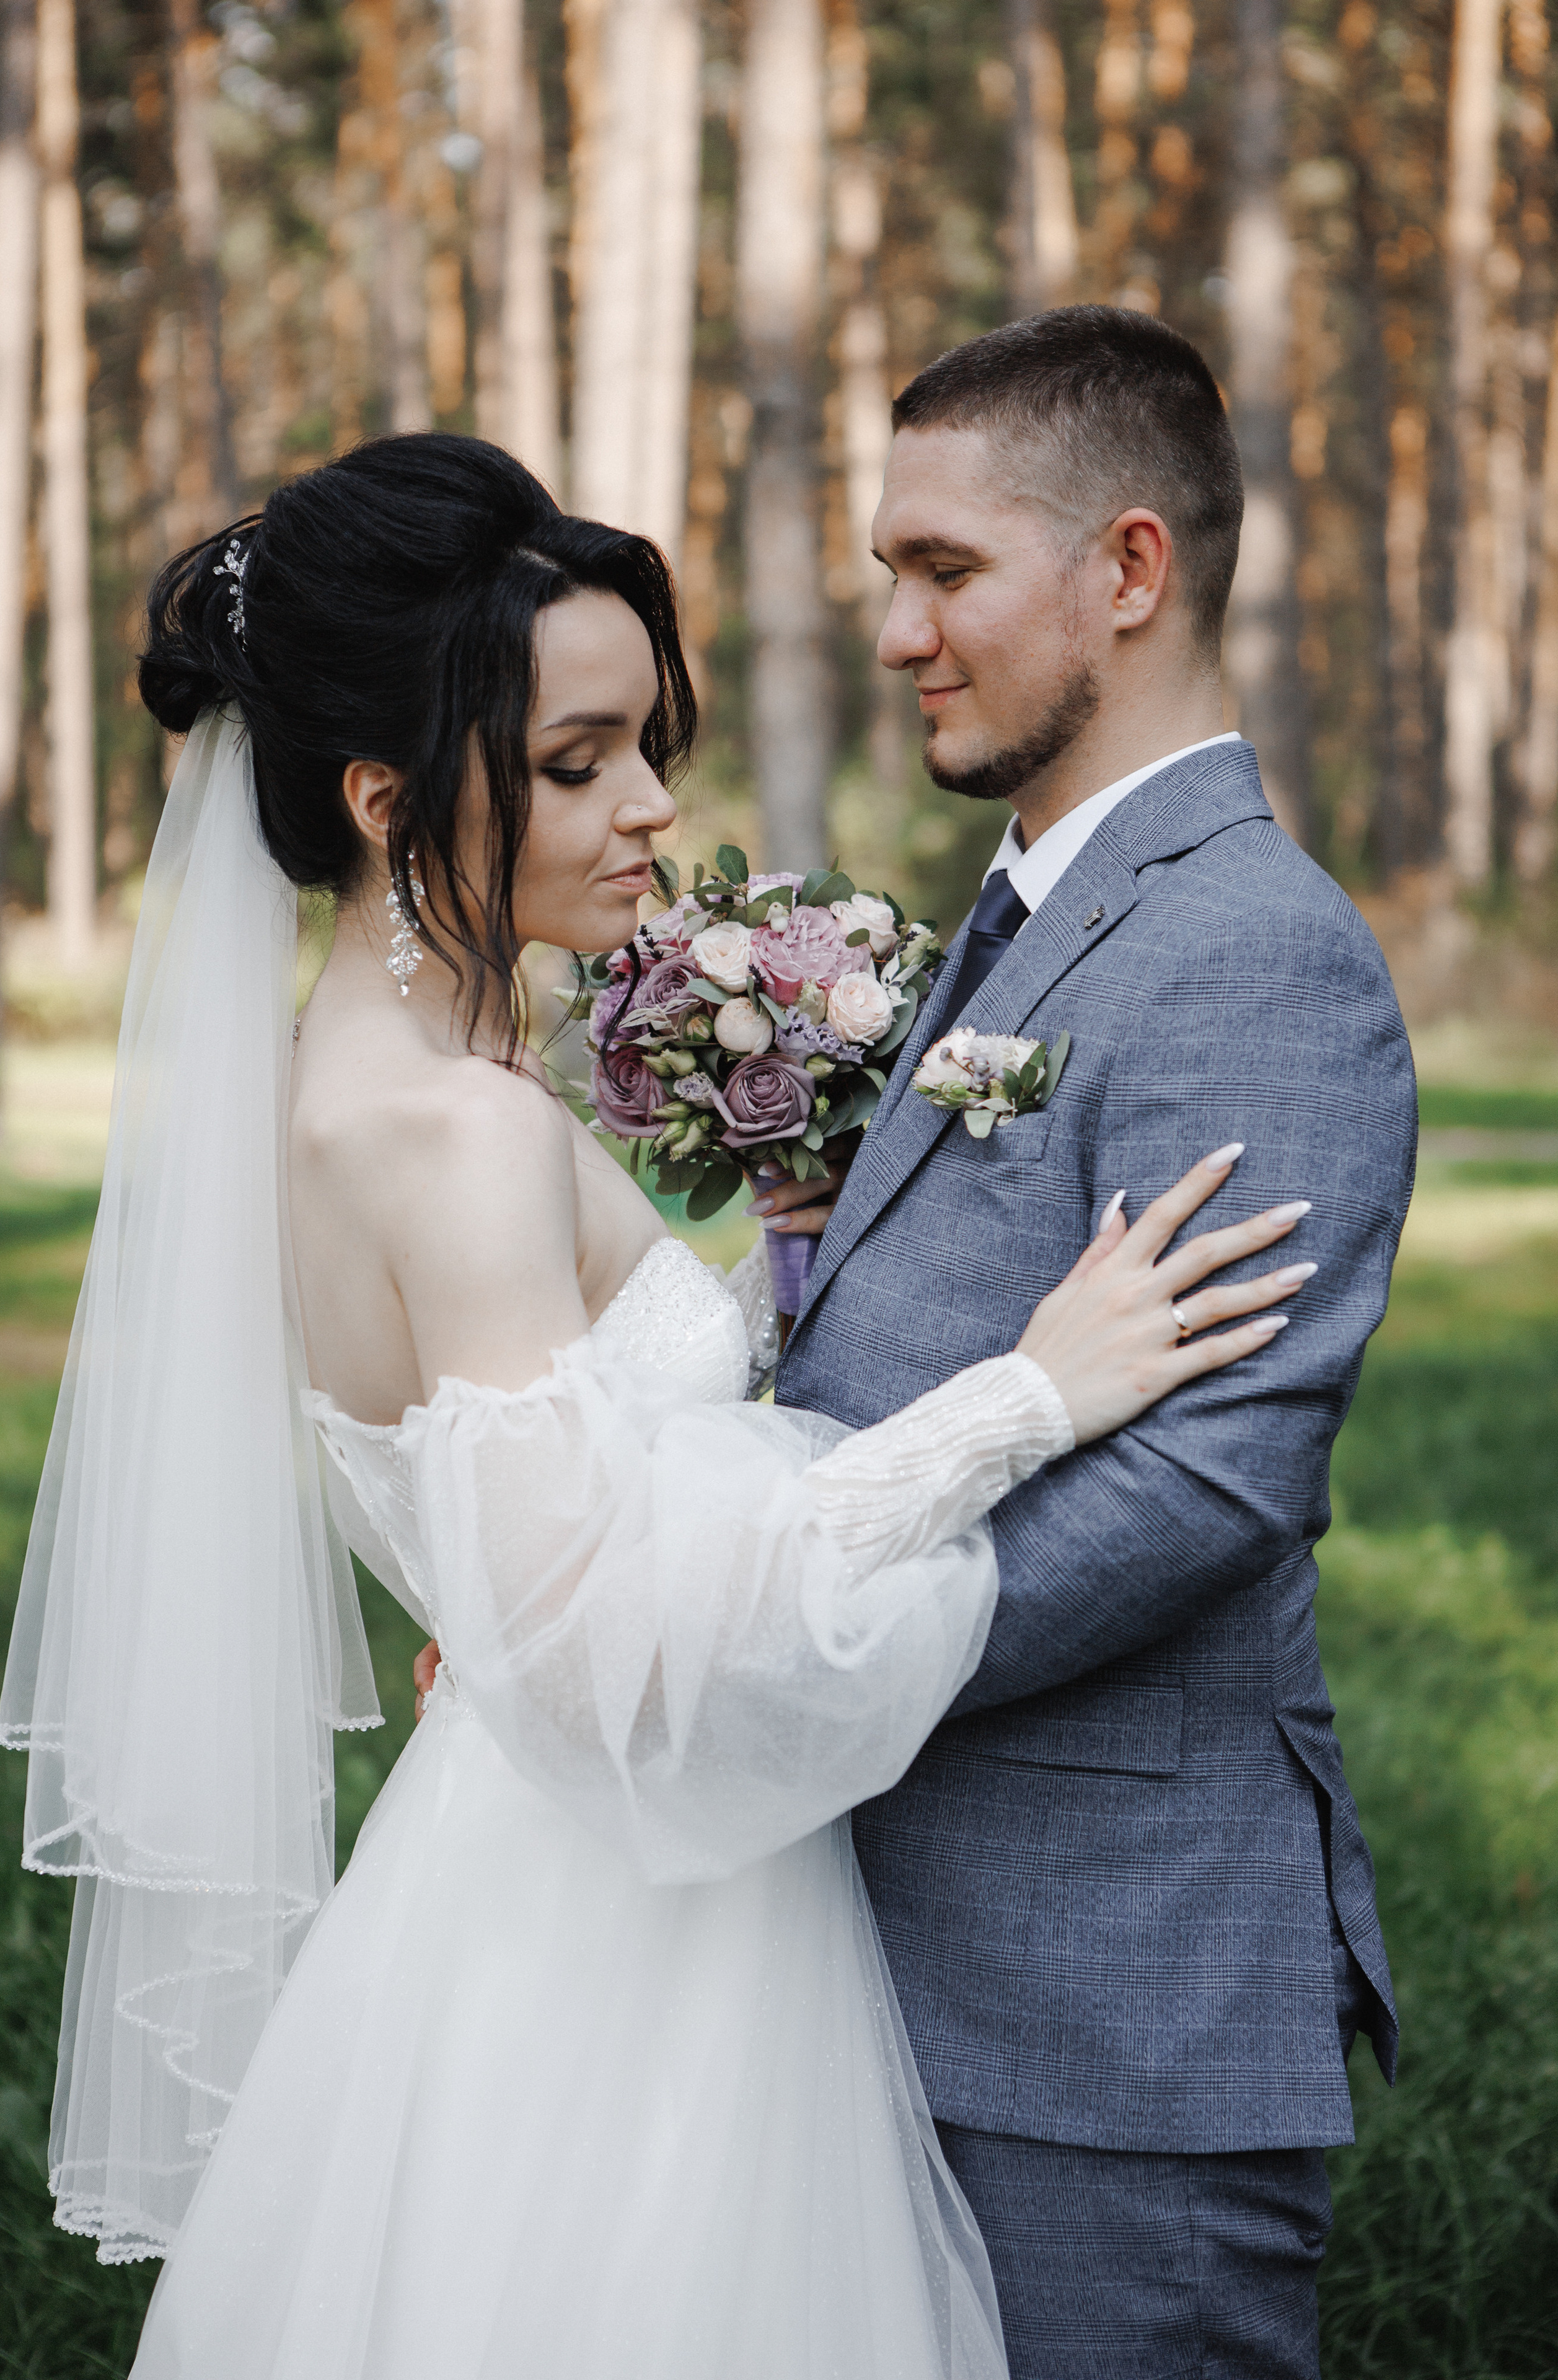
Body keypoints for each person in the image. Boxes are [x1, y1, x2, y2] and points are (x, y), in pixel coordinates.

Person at [0, 433, 1309, 2379]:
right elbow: (601, 1646)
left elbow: (530, 1527)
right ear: (384, 798)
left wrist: (775, 1278)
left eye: (644, 748)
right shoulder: (458, 1136)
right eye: (575, 763)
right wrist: (1028, 1399)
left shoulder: (338, 1083)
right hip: (627, 1948)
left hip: (493, 1881)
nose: (650, 812)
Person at [765, 307, 1419, 2378]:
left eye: (944, 570)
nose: (897, 631)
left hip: (1103, 1990)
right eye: (894, 573)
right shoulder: (1044, 905)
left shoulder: (1251, 950)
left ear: (1127, 572)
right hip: (924, 1927)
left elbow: (1213, 1473)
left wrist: (801, 1658)